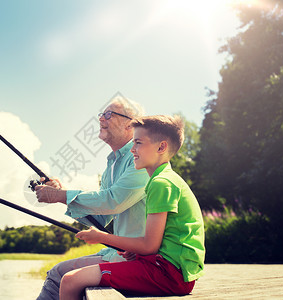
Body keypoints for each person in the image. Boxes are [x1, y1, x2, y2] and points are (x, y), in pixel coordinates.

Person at [59, 115, 205, 300]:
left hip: (169, 274)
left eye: (138, 143)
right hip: (168, 268)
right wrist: (135, 251)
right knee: (74, 279)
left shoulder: (161, 183)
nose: (132, 150)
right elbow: (156, 244)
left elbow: (149, 246)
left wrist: (102, 237)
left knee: (70, 280)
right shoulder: (165, 179)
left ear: (161, 147)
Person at [34, 97, 150, 300]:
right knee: (57, 273)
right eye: (101, 115)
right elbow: (102, 219)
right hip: (119, 253)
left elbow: (114, 200)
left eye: (108, 114)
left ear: (129, 124)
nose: (101, 119)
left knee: (58, 275)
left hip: (138, 257)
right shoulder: (111, 166)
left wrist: (63, 196)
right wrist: (62, 196)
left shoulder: (140, 158)